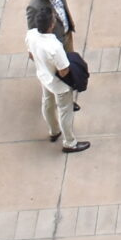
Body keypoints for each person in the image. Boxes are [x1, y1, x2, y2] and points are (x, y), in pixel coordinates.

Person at [26, 16, 90, 153]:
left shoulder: (31, 35)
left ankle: (54, 131)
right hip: (59, 85)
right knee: (65, 112)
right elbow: (63, 71)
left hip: (44, 77)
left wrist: (44, 65)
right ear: (51, 25)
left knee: (47, 103)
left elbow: (31, 55)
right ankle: (70, 143)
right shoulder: (54, 46)